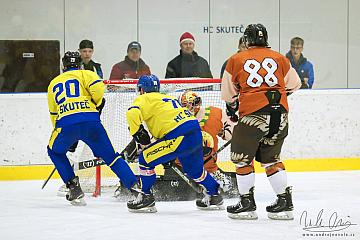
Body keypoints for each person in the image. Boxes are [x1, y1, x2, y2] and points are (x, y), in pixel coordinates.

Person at [221, 24, 301, 220]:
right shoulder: (280, 58)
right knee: (271, 159)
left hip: (252, 116)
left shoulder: (236, 59)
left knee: (242, 159)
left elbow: (228, 94)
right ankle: (284, 202)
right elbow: (295, 83)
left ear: (246, 40)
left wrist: (235, 106)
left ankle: (246, 203)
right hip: (280, 114)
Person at [47, 51, 138, 206]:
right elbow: (98, 89)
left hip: (66, 124)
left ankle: (73, 188)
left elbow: (54, 113)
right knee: (112, 157)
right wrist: (95, 104)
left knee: (54, 151)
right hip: (91, 121)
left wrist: (65, 136)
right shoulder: (86, 74)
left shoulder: (54, 82)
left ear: (63, 66)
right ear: (80, 64)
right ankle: (137, 188)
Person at [126, 74, 223, 213]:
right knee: (194, 170)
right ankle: (214, 194)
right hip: (195, 132)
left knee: (145, 159)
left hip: (178, 136)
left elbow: (132, 114)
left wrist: (139, 135)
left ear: (141, 90)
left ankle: (146, 196)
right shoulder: (169, 98)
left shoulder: (142, 98)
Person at [179, 90, 235, 192]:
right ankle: (216, 185)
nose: (184, 107)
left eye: (185, 105)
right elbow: (230, 135)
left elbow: (229, 135)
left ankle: (214, 188)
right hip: (197, 162)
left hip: (202, 163)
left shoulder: (214, 114)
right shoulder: (215, 113)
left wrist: (224, 132)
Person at [68, 39, 103, 153]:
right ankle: (73, 143)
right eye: (84, 51)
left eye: (89, 51)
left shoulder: (96, 67)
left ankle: (96, 148)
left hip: (91, 100)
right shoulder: (73, 66)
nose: (87, 54)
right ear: (79, 51)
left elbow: (100, 83)